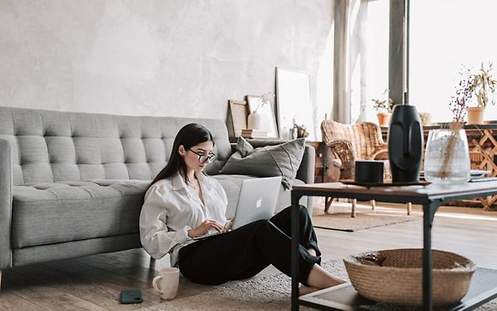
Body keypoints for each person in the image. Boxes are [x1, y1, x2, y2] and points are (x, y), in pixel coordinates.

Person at [139, 123, 345, 294]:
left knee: (297, 213)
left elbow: (220, 223)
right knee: (261, 229)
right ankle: (329, 284)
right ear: (182, 150)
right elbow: (150, 241)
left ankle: (309, 281)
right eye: (200, 153)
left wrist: (230, 225)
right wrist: (191, 232)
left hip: (227, 257)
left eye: (209, 155)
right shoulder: (162, 190)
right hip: (195, 262)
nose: (205, 161)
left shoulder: (212, 185)